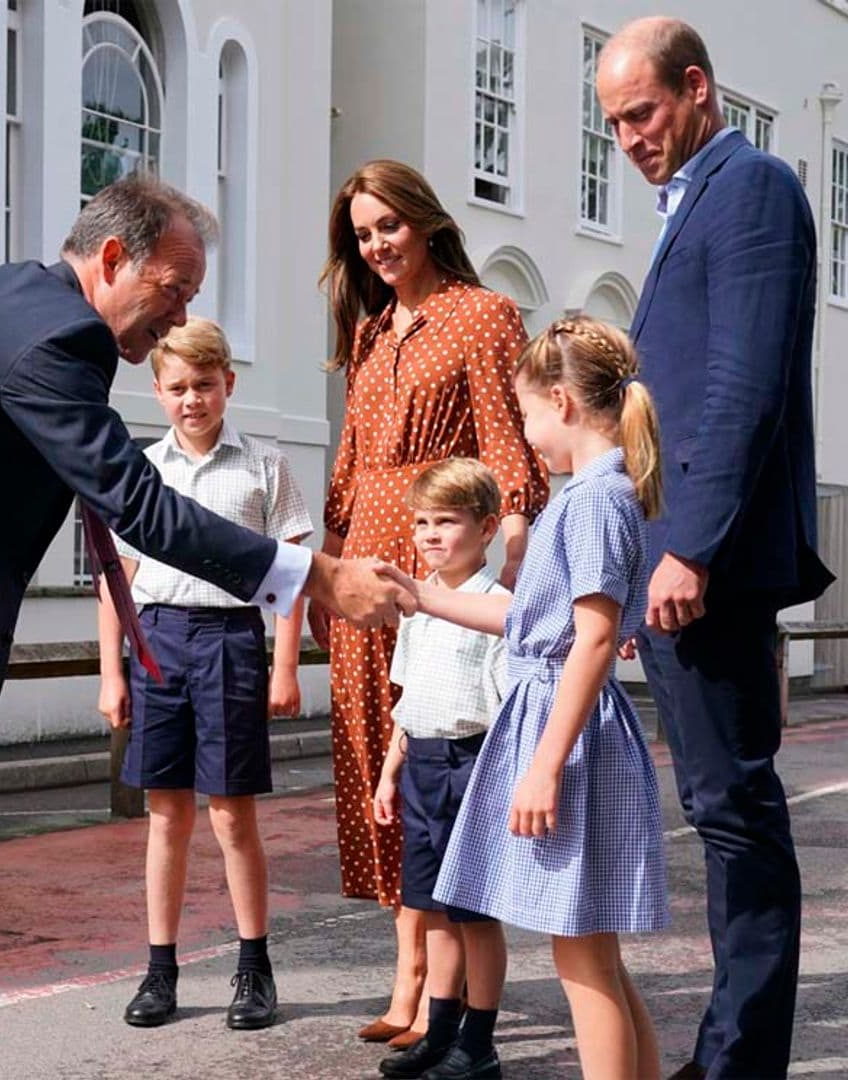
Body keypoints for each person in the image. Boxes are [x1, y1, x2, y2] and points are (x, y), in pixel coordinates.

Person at [0, 174, 411, 1079]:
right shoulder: (54, 335)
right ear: (114, 260)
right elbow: (138, 504)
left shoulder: (13, 302)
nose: (179, 314)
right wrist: (312, 577)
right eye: (175, 289)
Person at [596, 18, 834, 1079]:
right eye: (613, 124)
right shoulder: (697, 199)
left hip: (712, 563)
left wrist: (685, 548)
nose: (630, 138)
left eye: (641, 113)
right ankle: (734, 1051)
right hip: (686, 556)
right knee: (722, 809)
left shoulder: (754, 188)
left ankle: (741, 1061)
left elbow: (742, 385)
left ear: (698, 89)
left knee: (735, 815)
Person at [383, 317, 669, 1080]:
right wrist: (420, 596)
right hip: (564, 724)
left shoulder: (592, 501)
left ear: (561, 402)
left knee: (582, 963)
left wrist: (544, 765)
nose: (528, 434)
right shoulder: (592, 496)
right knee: (595, 956)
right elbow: (526, 620)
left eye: (528, 416)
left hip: (564, 734)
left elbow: (594, 640)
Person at [312, 159, 548, 1046]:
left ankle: (434, 984)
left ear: (425, 221)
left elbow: (507, 445)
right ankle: (405, 968)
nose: (376, 246)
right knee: (378, 766)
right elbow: (345, 466)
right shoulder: (371, 334)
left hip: (437, 563)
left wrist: (514, 553)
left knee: (436, 762)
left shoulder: (482, 315)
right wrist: (327, 570)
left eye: (388, 227)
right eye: (363, 235)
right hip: (364, 570)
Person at [94, 317, 312, 1031]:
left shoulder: (263, 466)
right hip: (157, 640)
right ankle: (161, 970)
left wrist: (285, 664)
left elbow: (292, 574)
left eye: (206, 385)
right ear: (156, 390)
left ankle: (254, 966)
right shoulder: (143, 471)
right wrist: (112, 674)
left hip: (230, 641)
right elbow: (115, 583)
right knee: (166, 815)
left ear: (229, 384)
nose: (193, 400)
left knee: (231, 813)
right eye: (179, 387)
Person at [371, 458, 510, 1080]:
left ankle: (479, 1044)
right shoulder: (417, 604)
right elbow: (411, 701)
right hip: (424, 763)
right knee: (434, 911)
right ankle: (441, 1029)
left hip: (473, 764)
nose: (430, 534)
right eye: (422, 521)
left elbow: (510, 708)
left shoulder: (499, 608)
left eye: (446, 521)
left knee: (475, 915)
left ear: (486, 529)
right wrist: (390, 771)